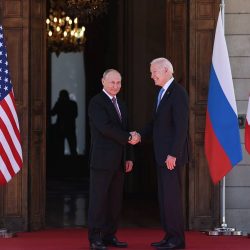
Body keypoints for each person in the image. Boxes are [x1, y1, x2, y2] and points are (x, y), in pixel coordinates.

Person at [130, 58, 189, 250]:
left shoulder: (178, 93)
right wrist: (140, 135)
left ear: (165, 71)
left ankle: (177, 240)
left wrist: (173, 154)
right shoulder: (162, 93)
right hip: (161, 155)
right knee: (164, 198)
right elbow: (155, 123)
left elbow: (181, 128)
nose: (151, 76)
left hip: (171, 157)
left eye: (154, 72)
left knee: (172, 198)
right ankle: (169, 235)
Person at [88, 69, 137, 250]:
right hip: (101, 161)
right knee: (98, 201)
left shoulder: (122, 104)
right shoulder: (96, 102)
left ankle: (110, 236)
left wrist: (129, 156)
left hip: (119, 161)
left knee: (115, 202)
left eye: (118, 83)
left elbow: (128, 128)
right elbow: (105, 128)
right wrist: (129, 138)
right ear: (103, 81)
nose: (115, 86)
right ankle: (95, 238)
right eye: (112, 82)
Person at [51, 89, 78, 156]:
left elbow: (52, 113)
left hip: (61, 128)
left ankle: (61, 164)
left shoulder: (59, 103)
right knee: (72, 149)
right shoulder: (73, 104)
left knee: (61, 149)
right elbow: (75, 115)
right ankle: (75, 164)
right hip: (69, 128)